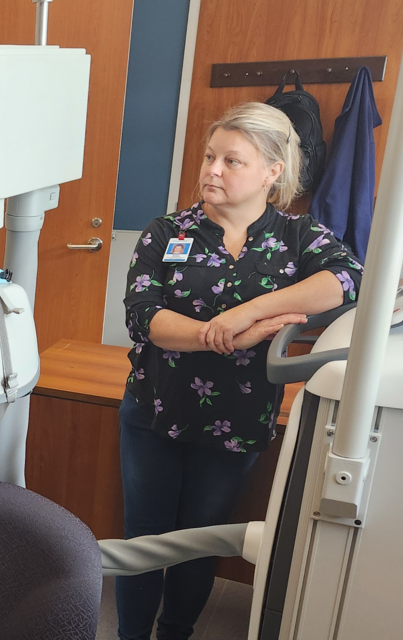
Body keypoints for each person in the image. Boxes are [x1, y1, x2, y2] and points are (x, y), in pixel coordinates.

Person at [117, 102, 363, 640]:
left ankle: (175, 633)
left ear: (273, 171)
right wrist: (224, 337)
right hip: (154, 411)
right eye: (209, 157)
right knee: (143, 538)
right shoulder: (166, 232)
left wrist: (247, 311)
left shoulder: (299, 238)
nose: (212, 171)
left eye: (232, 161)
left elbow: (348, 279)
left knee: (200, 540)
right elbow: (145, 319)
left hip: (237, 421)